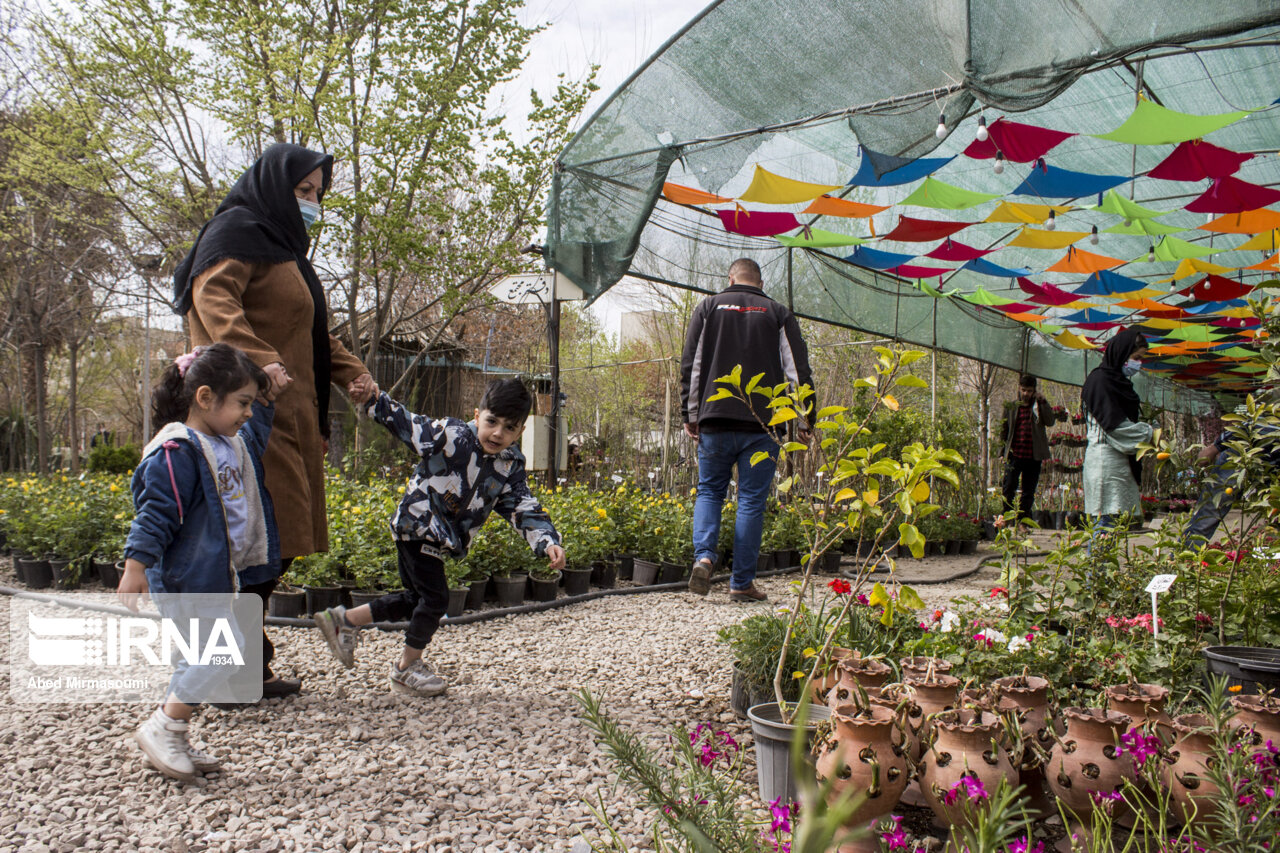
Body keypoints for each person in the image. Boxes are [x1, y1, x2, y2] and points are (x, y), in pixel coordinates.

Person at [172, 143, 374, 699]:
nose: (311, 203)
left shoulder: (286, 253)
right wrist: (262, 362)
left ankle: (242, 665)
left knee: (275, 541)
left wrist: (353, 373)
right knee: (252, 540)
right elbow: (213, 300)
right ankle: (221, 672)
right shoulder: (236, 232)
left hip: (290, 416)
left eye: (317, 194)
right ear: (271, 185)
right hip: (246, 416)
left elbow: (310, 334)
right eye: (302, 191)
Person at [314, 377, 566, 697]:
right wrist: (373, 399)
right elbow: (409, 425)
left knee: (415, 599)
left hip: (439, 537)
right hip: (419, 523)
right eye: (492, 422)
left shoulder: (509, 465)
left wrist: (548, 541)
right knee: (436, 599)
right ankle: (406, 668)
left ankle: (343, 621)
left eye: (510, 428)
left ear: (521, 432)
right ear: (477, 416)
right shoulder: (451, 435)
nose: (498, 433)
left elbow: (523, 506)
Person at [117, 344, 277, 781]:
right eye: (242, 402)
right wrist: (135, 566)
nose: (248, 412)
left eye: (251, 403)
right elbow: (156, 512)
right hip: (186, 576)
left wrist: (269, 394)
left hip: (213, 573)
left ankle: (172, 731)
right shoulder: (178, 451)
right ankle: (164, 726)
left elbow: (256, 433)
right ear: (205, 398)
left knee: (200, 657)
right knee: (222, 656)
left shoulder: (226, 443)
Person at [679, 257, 813, 603]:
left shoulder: (708, 307)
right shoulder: (777, 312)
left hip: (715, 418)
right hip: (763, 426)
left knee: (710, 491)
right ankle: (741, 584)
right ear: (761, 283)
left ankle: (705, 558)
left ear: (730, 278)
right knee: (751, 502)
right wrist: (804, 419)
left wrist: (691, 413)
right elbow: (797, 370)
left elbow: (692, 365)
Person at [1081, 328, 1152, 534]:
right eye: (1136, 357)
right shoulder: (1100, 382)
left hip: (1117, 464)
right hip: (1105, 463)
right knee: (1105, 523)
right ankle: (1097, 566)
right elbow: (1116, 427)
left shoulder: (1118, 383)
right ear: (1122, 353)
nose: (1138, 363)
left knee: (1113, 524)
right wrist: (1148, 434)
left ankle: (1101, 565)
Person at [998, 375, 1059, 524]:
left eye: (1029, 391)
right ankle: (1006, 518)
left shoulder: (1038, 406)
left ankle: (1023, 521)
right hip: (1015, 455)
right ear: (1019, 388)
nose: (1026, 394)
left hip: (1033, 455)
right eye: (1024, 390)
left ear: (1034, 391)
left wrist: (1043, 401)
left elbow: (1050, 421)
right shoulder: (1011, 407)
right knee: (1008, 487)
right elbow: (1003, 430)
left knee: (1028, 491)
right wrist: (1001, 452)